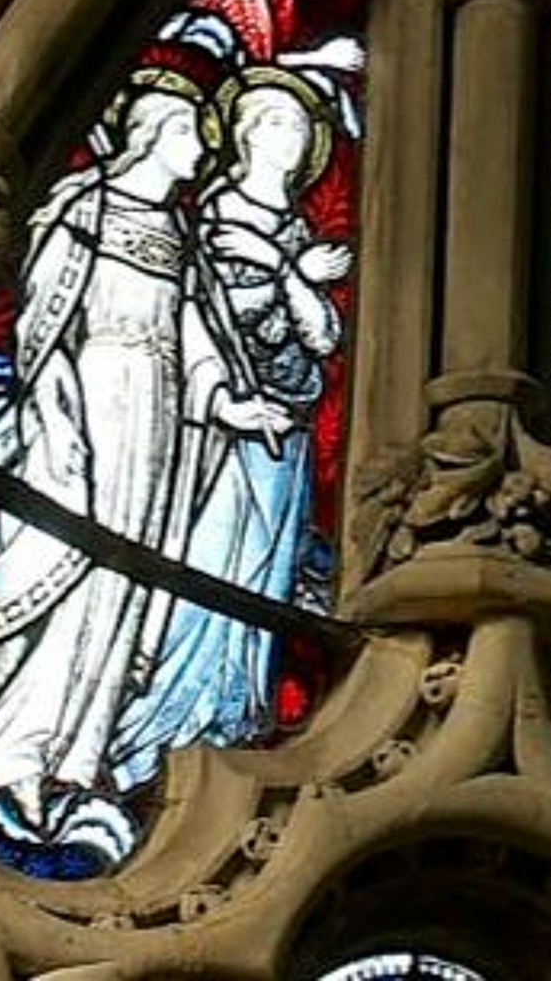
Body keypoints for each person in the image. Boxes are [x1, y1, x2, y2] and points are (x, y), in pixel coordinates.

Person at [0, 74, 224, 851]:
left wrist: (225, 401)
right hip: (92, 400)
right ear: (150, 135)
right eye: (187, 131)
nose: (200, 147)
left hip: (159, 417)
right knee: (75, 566)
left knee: (125, 579)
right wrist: (56, 421)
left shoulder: (180, 233)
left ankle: (76, 756)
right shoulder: (83, 209)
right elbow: (44, 328)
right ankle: (15, 743)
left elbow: (194, 334)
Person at [113, 67, 351, 774]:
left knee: (264, 576)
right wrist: (292, 276)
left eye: (297, 124)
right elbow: (213, 317)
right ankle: (166, 725)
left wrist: (283, 267)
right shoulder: (215, 217)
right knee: (212, 564)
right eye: (271, 120)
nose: (288, 134)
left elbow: (325, 336)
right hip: (222, 428)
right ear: (242, 135)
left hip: (288, 427)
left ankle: (232, 715)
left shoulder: (293, 232)